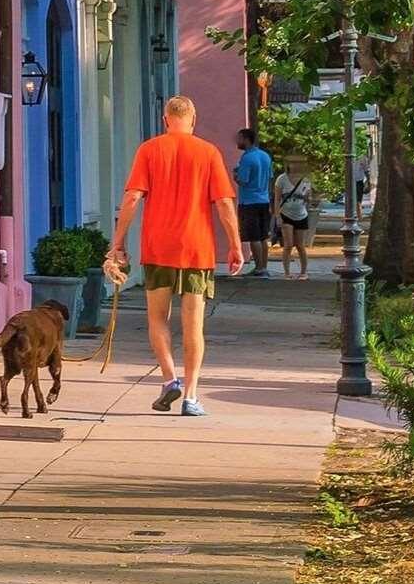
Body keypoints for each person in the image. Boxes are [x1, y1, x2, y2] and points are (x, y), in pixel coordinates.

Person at [103, 95, 245, 417]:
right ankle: (191, 397)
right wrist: (236, 244)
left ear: (166, 119)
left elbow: (132, 197)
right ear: (193, 119)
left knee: (157, 318)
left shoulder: (149, 150)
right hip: (197, 250)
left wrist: (118, 242)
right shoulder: (208, 152)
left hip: (158, 248)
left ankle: (169, 379)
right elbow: (224, 204)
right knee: (194, 325)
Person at [235, 127, 277, 276]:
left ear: (247, 139)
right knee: (263, 236)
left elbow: (243, 180)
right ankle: (263, 266)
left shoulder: (247, 158)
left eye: (239, 138)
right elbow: (270, 177)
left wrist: (235, 175)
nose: (237, 141)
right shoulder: (265, 156)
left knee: (253, 237)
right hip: (263, 199)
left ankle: (259, 268)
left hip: (249, 201)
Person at [274, 161, 315, 278]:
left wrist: (309, 198)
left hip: (301, 214)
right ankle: (287, 272)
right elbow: (277, 199)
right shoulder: (281, 179)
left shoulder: (306, 180)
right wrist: (278, 216)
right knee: (288, 245)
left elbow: (309, 200)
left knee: (300, 245)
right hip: (286, 214)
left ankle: (303, 272)